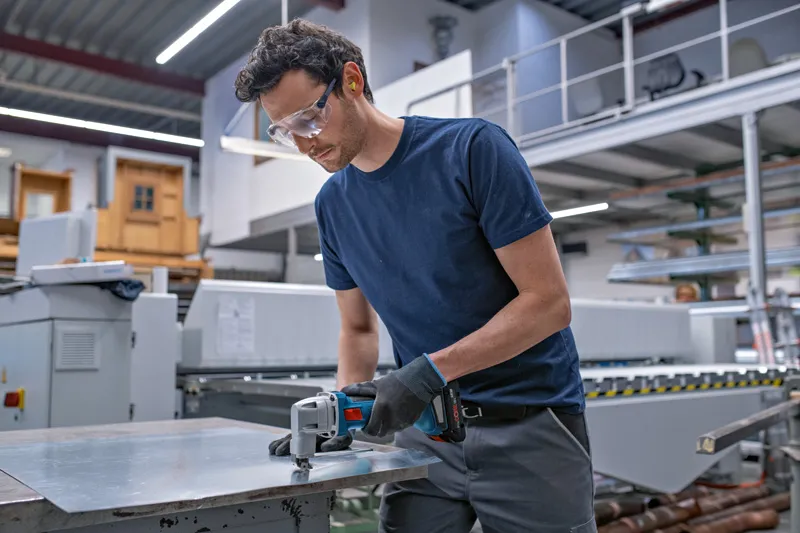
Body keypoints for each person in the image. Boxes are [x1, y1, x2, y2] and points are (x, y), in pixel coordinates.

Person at [235, 19, 595, 533]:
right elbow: (358, 329)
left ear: (352, 82)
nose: (303, 144)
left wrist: (425, 374)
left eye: (309, 119)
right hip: (426, 434)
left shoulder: (471, 151)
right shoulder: (333, 206)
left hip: (530, 425)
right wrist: (341, 411)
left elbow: (548, 302)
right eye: (284, 130)